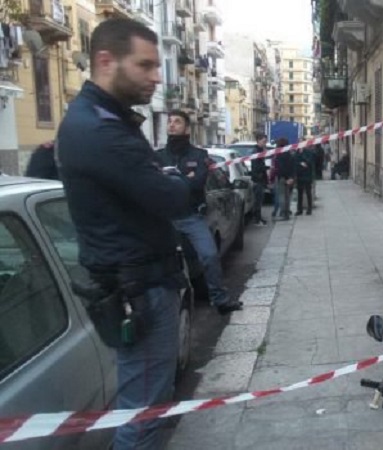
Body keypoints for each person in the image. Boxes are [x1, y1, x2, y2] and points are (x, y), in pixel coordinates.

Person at [56, 18, 188, 449]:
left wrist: (166, 178)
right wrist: (179, 178)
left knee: (147, 406)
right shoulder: (100, 129)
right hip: (139, 288)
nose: (157, 77)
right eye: (145, 65)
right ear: (106, 61)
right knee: (143, 415)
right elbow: (171, 197)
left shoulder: (102, 119)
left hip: (140, 282)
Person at [155, 110, 242, 315]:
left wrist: (172, 179)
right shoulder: (158, 156)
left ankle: (220, 299)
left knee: (209, 256)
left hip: (191, 216)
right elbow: (155, 185)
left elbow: (197, 184)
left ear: (187, 128)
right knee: (161, 263)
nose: (171, 125)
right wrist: (184, 177)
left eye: (177, 122)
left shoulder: (200, 155)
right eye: (169, 122)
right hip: (165, 218)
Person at [249, 133, 269, 225]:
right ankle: (257, 219)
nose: (265, 143)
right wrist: (266, 168)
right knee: (258, 200)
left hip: (260, 178)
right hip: (258, 179)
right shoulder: (256, 151)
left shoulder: (260, 150)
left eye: (266, 141)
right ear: (258, 140)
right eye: (264, 141)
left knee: (260, 200)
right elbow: (257, 166)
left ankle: (258, 218)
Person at [273, 137, 295, 219]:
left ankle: (283, 213)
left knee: (282, 196)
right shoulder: (290, 154)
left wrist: (285, 178)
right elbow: (292, 167)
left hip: (282, 177)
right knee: (288, 196)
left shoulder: (279, 155)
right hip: (289, 178)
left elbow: (281, 168)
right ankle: (287, 212)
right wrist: (291, 177)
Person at [294, 146, 314, 215]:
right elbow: (295, 161)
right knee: (300, 193)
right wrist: (301, 163)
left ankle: (309, 209)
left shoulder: (308, 152)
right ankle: (299, 209)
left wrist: (302, 156)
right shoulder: (297, 152)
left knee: (308, 192)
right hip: (299, 175)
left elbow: (309, 161)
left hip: (307, 175)